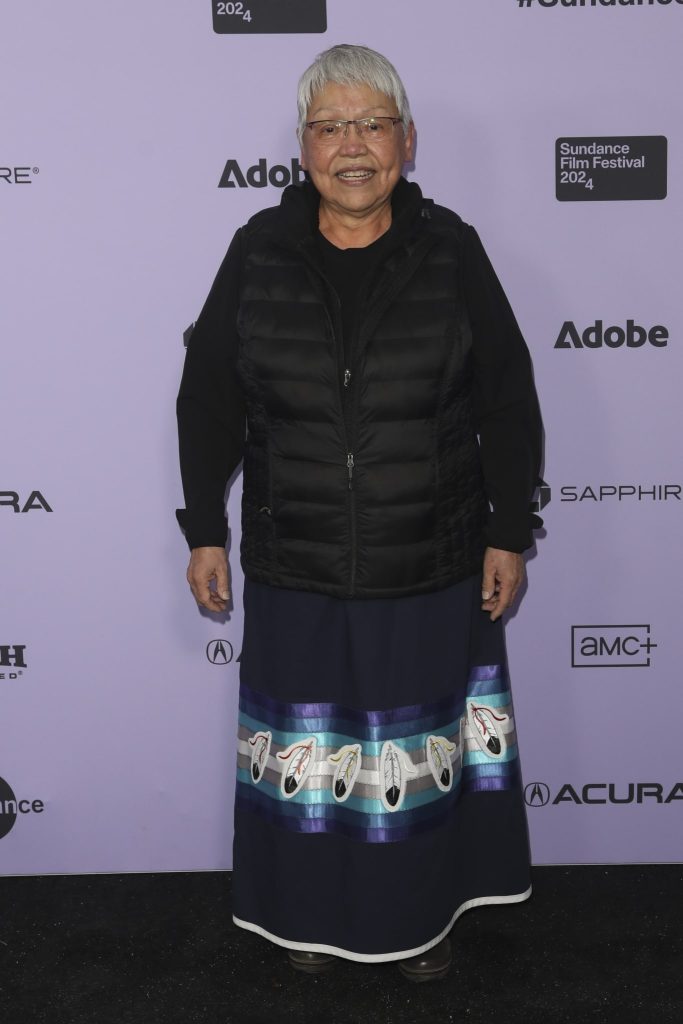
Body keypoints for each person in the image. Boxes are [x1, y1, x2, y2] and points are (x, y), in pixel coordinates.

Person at [176, 43, 543, 982]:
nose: (352, 145)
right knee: (307, 761)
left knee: (415, 763)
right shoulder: (256, 250)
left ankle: (424, 921)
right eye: (330, 126)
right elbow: (208, 399)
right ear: (302, 146)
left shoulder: (451, 249)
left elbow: (506, 397)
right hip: (295, 562)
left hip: (430, 560)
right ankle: (302, 918)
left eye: (372, 125)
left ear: (405, 142)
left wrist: (509, 532)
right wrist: (204, 529)